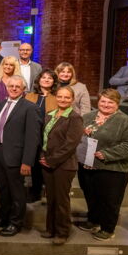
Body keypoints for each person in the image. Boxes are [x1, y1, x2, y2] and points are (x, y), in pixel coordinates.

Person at [76, 89, 128, 241]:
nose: (105, 104)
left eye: (110, 102)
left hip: (113, 169)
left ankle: (107, 228)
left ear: (117, 104)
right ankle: (94, 220)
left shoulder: (126, 122)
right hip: (87, 165)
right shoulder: (88, 117)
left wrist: (107, 154)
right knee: (91, 195)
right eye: (103, 101)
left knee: (110, 200)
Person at [0, 75, 42, 237]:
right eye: (11, 86)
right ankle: (3, 218)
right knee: (3, 189)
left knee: (17, 192)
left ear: (24, 89)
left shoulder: (30, 108)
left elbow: (33, 138)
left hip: (16, 157)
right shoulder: (2, 104)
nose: (14, 88)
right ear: (7, 87)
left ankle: (15, 223)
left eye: (18, 86)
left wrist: (27, 162)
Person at [39, 86, 84, 245]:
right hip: (47, 162)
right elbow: (43, 139)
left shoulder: (74, 118)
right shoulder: (50, 115)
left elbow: (70, 145)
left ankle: (63, 232)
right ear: (56, 97)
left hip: (64, 165)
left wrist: (51, 160)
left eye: (66, 97)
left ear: (72, 100)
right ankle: (50, 229)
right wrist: (43, 157)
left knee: (61, 200)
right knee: (51, 198)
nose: (63, 100)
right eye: (60, 97)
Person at [25, 69, 58, 202]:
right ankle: (35, 191)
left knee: (46, 162)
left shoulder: (56, 97)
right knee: (35, 164)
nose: (46, 80)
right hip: (33, 134)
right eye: (44, 77)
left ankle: (48, 190)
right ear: (39, 80)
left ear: (54, 82)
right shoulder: (29, 96)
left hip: (50, 135)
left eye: (50, 78)